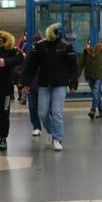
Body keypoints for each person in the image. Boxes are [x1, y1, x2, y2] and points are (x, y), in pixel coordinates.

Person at [21, 23, 78, 151]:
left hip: (60, 85)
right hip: (44, 85)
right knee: (42, 113)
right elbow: (31, 66)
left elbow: (73, 67)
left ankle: (58, 138)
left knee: (57, 112)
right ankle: (51, 132)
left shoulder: (66, 47)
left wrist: (73, 83)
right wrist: (27, 82)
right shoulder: (40, 47)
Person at [24, 31, 44, 136]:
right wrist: (25, 84)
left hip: (44, 86)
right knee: (32, 107)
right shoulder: (30, 55)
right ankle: (36, 127)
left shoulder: (45, 55)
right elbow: (25, 70)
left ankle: (49, 127)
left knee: (45, 110)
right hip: (32, 86)